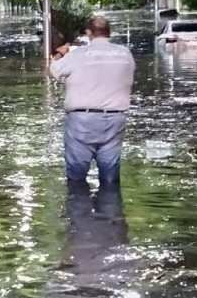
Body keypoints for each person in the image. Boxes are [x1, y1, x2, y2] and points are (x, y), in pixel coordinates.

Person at [49, 16, 135, 185]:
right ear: (109, 32)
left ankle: (79, 207)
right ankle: (110, 208)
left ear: (88, 33)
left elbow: (52, 71)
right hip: (115, 120)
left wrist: (60, 53)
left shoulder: (78, 55)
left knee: (76, 179)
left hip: (82, 121)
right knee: (110, 178)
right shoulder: (125, 54)